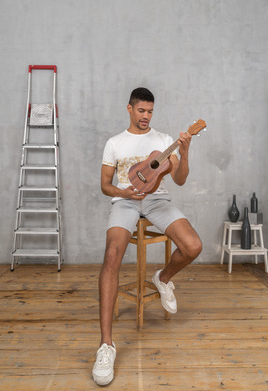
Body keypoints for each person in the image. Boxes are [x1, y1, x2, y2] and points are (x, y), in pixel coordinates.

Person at [92, 88, 202, 386]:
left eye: (150, 111)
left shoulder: (165, 141)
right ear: (129, 108)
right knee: (112, 254)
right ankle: (106, 346)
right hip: (125, 201)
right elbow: (104, 185)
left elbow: (179, 179)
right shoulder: (114, 142)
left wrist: (186, 149)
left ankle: (163, 278)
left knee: (193, 246)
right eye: (141, 111)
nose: (146, 117)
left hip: (158, 201)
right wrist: (123, 192)